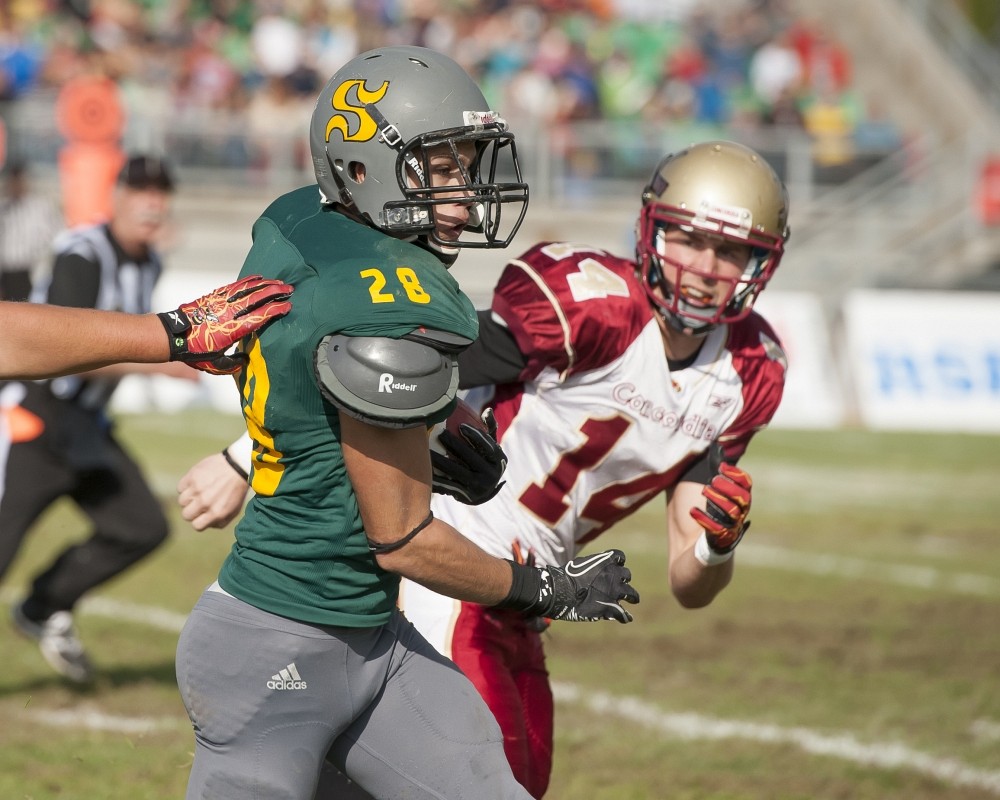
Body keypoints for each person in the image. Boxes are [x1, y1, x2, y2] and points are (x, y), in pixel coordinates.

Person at [185, 139, 790, 798]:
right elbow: (393, 363)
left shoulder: (747, 370)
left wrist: (716, 546)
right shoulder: (595, 304)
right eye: (689, 240)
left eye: (731, 252)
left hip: (527, 593)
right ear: (652, 231)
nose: (705, 267)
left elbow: (688, 580)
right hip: (453, 564)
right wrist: (245, 456)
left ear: (762, 264)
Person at [172, 45, 639, 800]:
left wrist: (443, 420)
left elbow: (318, 377)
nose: (466, 191)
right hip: (272, 648)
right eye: (443, 169)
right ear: (362, 169)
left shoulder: (305, 223)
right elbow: (404, 541)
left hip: (375, 647)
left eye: (467, 165)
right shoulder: (385, 313)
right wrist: (542, 589)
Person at [0, 154, 290, 686]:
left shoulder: (148, 261)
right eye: (140, 190)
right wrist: (167, 356)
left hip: (86, 426)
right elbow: (64, 347)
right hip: (35, 422)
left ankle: (42, 606)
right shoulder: (81, 253)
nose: (152, 201)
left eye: (161, 190)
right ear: (116, 197)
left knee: (141, 526)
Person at [0, 160, 61, 302]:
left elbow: (53, 236)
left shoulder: (39, 208)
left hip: (29, 272)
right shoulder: (4, 208)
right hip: (6, 274)